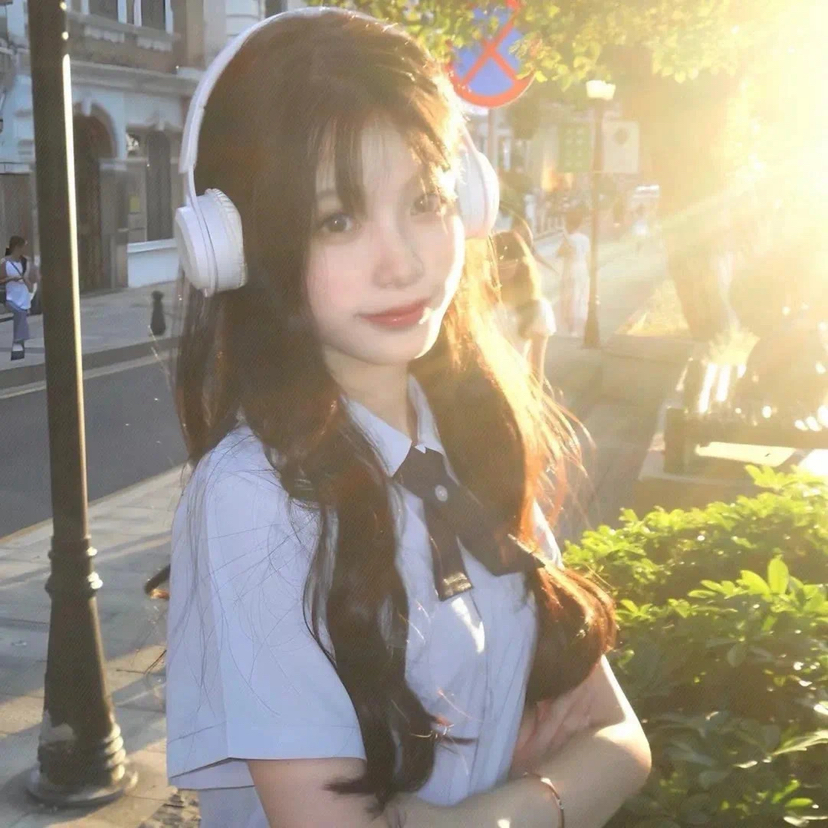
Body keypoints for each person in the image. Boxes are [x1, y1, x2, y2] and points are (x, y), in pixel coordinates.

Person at [165, 9, 651, 828]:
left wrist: (474, 816)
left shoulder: (466, 438)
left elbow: (622, 741)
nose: (404, 262)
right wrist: (552, 793)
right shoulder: (254, 495)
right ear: (239, 243)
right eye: (337, 219)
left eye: (426, 201)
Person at [492, 229, 556, 381]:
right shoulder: (478, 300)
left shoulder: (537, 308)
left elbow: (536, 370)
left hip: (513, 386)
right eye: (493, 258)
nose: (500, 263)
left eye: (506, 256)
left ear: (521, 262)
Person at [556, 209, 591, 337]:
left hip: (571, 269)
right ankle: (585, 327)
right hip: (583, 269)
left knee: (570, 298)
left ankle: (572, 329)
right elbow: (588, 256)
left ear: (569, 224)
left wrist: (564, 242)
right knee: (582, 297)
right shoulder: (585, 239)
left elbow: (560, 253)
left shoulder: (569, 239)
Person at [0, 236, 33, 360]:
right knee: (20, 314)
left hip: (23, 296)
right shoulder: (5, 262)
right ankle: (19, 342)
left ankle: (18, 350)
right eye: (23, 247)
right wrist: (11, 279)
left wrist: (26, 280)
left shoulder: (24, 262)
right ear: (17, 247)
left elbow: (28, 280)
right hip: (10, 297)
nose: (25, 249)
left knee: (20, 318)